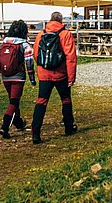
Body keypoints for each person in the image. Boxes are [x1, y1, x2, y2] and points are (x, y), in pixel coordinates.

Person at [31, 11, 77, 145]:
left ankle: (35, 132)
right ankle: (69, 127)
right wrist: (71, 77)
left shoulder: (41, 33)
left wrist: (43, 67)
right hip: (61, 73)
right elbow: (70, 57)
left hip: (44, 74)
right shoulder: (66, 34)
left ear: (50, 20)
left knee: (41, 101)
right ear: (61, 21)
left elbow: (35, 53)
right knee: (66, 99)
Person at [0, 19, 36, 139]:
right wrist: (32, 78)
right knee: (14, 102)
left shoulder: (4, 43)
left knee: (13, 100)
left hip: (6, 76)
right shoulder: (24, 44)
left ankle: (17, 122)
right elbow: (29, 62)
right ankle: (5, 127)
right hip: (18, 76)